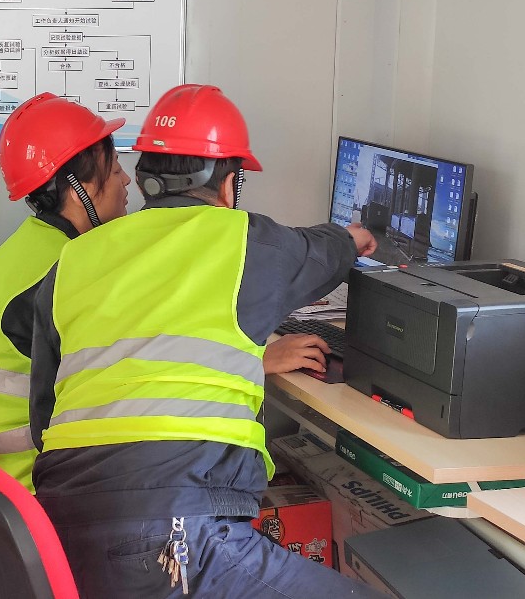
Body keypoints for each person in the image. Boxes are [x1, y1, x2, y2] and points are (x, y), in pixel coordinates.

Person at [28, 84, 385, 598]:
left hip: (58, 536)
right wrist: (354, 238)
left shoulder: (73, 260)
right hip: (174, 535)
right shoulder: (243, 239)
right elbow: (320, 252)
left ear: (145, 179)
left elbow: (44, 418)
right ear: (229, 186)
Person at [0, 93, 129, 491]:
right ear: (79, 189)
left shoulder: (31, 247)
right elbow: (130, 376)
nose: (126, 180)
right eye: (115, 169)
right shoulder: (66, 271)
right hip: (30, 481)